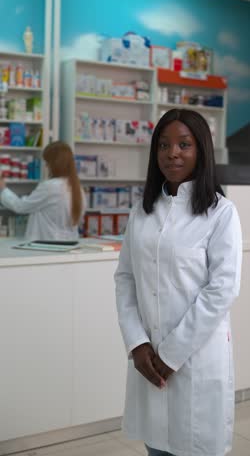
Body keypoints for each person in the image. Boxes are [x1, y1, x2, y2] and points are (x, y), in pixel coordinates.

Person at [115, 109, 242, 456]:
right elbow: (125, 278)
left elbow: (222, 290)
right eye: (164, 145)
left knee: (194, 446)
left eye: (184, 144)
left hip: (194, 361)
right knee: (156, 447)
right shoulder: (142, 212)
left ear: (201, 150)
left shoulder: (220, 213)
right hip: (148, 360)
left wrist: (170, 355)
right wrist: (137, 343)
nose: (173, 153)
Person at [0, 141, 85, 240]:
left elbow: (21, 206)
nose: (46, 166)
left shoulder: (50, 187)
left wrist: (3, 189)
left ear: (54, 163)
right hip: (69, 246)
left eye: (47, 162)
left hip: (47, 246)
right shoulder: (78, 188)